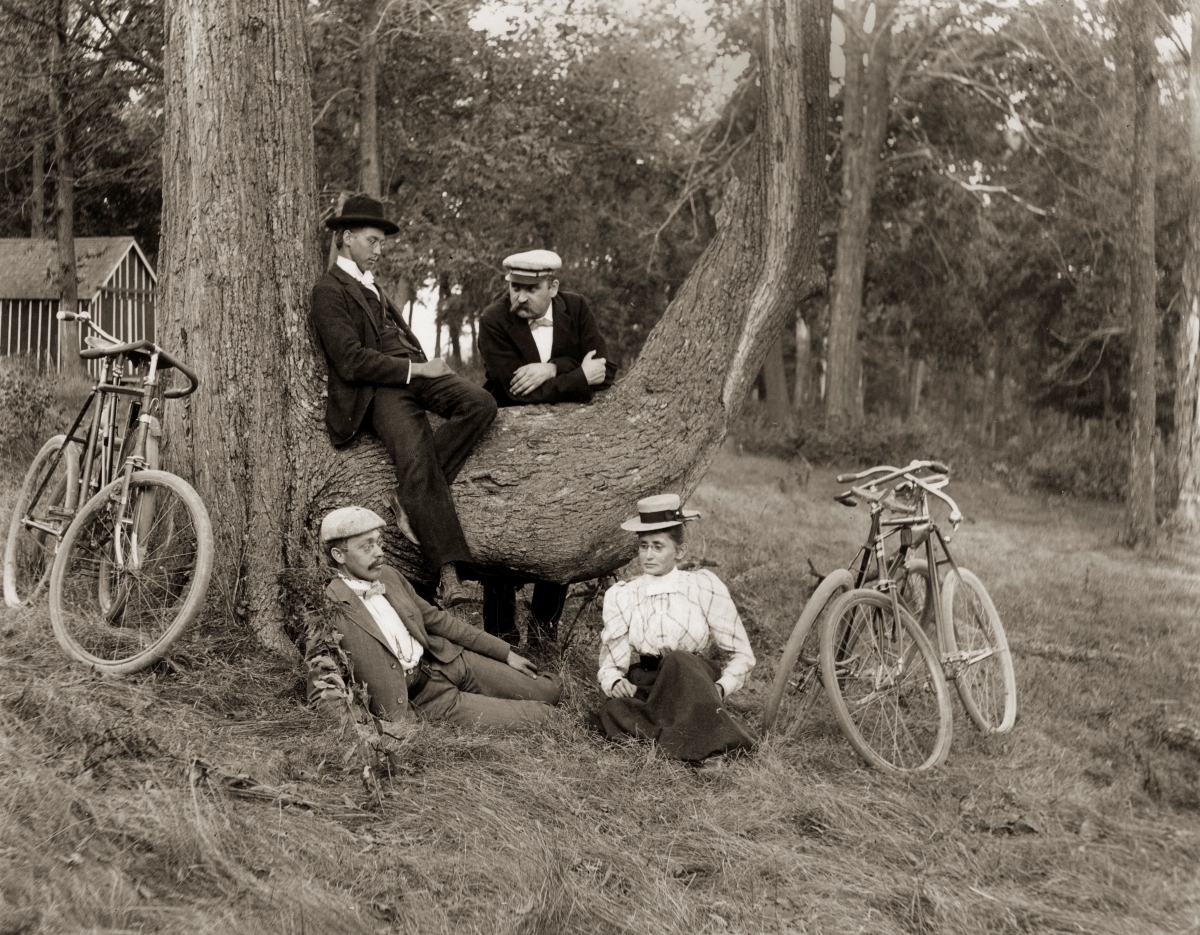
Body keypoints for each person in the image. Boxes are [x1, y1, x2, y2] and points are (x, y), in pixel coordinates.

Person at [310, 194, 497, 608]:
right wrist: (417, 371)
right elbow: (351, 361)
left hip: (414, 374)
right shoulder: (328, 290)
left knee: (480, 404)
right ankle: (449, 574)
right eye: (372, 241)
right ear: (345, 238)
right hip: (379, 391)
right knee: (415, 458)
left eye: (381, 243)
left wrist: (422, 365)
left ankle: (407, 496)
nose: (379, 251)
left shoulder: (372, 286)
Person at [475, 249, 619, 646]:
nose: (519, 298)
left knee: (560, 530)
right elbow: (515, 393)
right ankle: (500, 637)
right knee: (504, 538)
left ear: (553, 287)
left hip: (567, 446)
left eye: (530, 289)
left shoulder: (577, 309)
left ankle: (545, 633)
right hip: (510, 446)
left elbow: (605, 368)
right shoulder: (493, 319)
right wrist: (576, 375)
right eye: (514, 288)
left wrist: (551, 367)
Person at [308, 506, 561, 727]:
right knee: (542, 716)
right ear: (338, 556)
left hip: (448, 661)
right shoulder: (327, 609)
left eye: (378, 542)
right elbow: (321, 692)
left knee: (548, 691)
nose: (378, 553)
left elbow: (438, 620)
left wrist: (504, 653)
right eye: (366, 546)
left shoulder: (389, 576)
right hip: (427, 699)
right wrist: (365, 731)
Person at [594, 494, 758, 760]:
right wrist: (615, 680)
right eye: (643, 546)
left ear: (679, 551)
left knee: (677, 660)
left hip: (693, 676)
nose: (647, 555)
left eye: (658, 546)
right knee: (612, 711)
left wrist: (720, 688)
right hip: (649, 683)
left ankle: (697, 739)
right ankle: (698, 738)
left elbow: (742, 654)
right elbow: (612, 660)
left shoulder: (703, 585)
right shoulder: (623, 594)